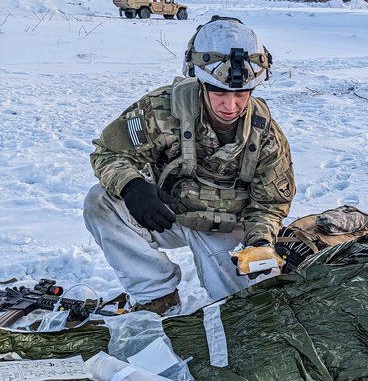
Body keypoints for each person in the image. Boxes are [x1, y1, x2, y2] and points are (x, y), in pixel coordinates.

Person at [83, 16, 296, 315]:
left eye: (240, 94)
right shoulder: (161, 109)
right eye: (219, 92)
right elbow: (109, 153)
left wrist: (259, 242)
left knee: (252, 311)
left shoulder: (266, 134)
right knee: (100, 201)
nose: (230, 106)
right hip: (168, 214)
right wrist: (132, 186)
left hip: (227, 229)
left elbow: (270, 203)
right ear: (200, 83)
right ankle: (157, 295)